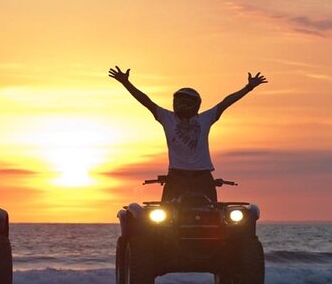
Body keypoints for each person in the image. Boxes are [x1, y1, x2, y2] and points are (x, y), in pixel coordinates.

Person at [108, 66, 267, 201]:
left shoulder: (205, 118)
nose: (180, 105)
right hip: (176, 176)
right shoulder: (167, 117)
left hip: (203, 177)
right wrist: (126, 83)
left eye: (186, 102)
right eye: (178, 101)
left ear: (195, 105)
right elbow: (145, 100)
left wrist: (248, 88)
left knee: (215, 216)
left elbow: (226, 102)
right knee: (163, 220)